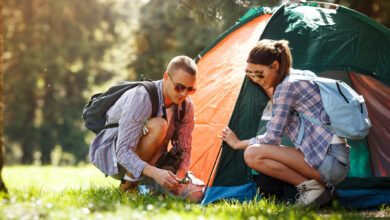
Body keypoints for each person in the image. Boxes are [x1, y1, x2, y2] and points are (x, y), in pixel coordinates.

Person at [220, 39, 350, 206]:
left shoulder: (286, 87)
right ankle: (322, 188)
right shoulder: (297, 77)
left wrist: (238, 143)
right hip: (336, 160)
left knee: (252, 153)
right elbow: (281, 104)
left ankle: (312, 188)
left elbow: (273, 138)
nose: (256, 78)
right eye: (252, 73)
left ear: (275, 66)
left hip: (330, 162)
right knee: (258, 152)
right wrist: (261, 79)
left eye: (259, 73)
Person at [89, 55, 204, 202]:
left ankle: (148, 188)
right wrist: (156, 173)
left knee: (196, 195)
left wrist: (179, 177)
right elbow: (123, 151)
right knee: (159, 126)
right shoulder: (142, 97)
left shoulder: (186, 106)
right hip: (117, 159)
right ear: (166, 77)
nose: (184, 94)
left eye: (191, 89)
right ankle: (128, 187)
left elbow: (185, 149)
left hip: (155, 162)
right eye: (180, 87)